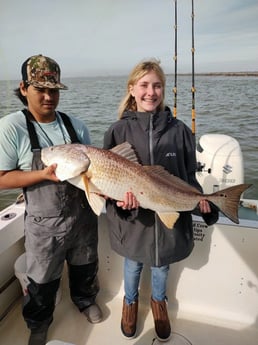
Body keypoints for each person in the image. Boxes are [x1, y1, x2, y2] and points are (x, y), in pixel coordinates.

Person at [103, 59, 218, 342]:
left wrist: (203, 203)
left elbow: (189, 177)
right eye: (143, 85)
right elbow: (107, 181)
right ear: (132, 89)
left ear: (163, 90)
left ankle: (159, 303)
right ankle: (129, 303)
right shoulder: (117, 131)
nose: (150, 92)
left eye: (157, 86)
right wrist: (120, 203)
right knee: (132, 263)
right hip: (134, 222)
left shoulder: (180, 131)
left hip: (167, 219)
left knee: (162, 265)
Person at [0, 54, 102, 345]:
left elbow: (93, 172)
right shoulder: (11, 128)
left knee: (86, 264)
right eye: (40, 89)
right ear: (23, 88)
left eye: (54, 90)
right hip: (44, 224)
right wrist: (41, 176)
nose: (48, 96)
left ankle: (85, 300)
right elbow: (1, 178)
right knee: (41, 277)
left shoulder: (76, 126)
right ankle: (38, 323)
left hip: (82, 217)